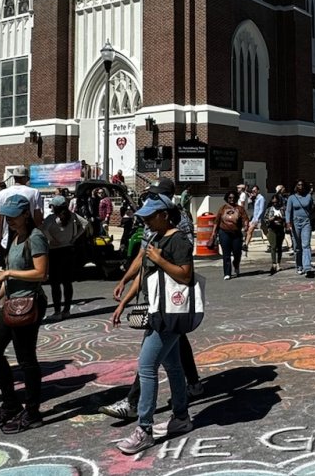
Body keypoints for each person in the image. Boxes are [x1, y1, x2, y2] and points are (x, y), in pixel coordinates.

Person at [111, 193, 195, 454]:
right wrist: (124, 301)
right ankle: (181, 418)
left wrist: (160, 260)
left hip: (170, 312)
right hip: (157, 309)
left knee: (146, 367)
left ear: (164, 215)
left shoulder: (178, 239)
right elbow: (146, 275)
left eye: (149, 216)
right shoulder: (155, 239)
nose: (145, 220)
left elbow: (185, 276)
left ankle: (144, 428)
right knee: (173, 366)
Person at [0, 194, 49, 434]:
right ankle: (10, 404)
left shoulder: (36, 237)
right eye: (6, 216)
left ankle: (32, 412)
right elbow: (6, 277)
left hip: (29, 303)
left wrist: (10, 274)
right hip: (10, 302)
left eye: (13, 216)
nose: (8, 220)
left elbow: (41, 273)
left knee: (26, 359)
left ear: (26, 214)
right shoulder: (15, 238)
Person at [42, 195, 87, 320]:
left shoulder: (51, 218)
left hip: (55, 251)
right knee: (67, 282)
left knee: (55, 283)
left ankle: (57, 311)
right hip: (68, 249)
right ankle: (66, 310)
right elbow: (85, 224)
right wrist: (75, 237)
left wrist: (51, 239)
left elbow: (43, 230)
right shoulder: (72, 216)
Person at [0, 167, 43, 269]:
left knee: (7, 269)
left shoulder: (1, 194)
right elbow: (38, 218)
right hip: (28, 237)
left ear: (14, 178)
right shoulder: (34, 192)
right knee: (27, 268)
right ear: (26, 178)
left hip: (7, 238)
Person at [213, 191, 247, 280]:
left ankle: (236, 265)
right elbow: (216, 221)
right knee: (226, 254)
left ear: (236, 198)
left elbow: (245, 219)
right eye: (229, 198)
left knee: (237, 253)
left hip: (236, 234)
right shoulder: (222, 209)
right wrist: (214, 233)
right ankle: (227, 273)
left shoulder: (240, 209)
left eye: (233, 198)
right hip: (224, 232)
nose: (231, 200)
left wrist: (245, 226)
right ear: (227, 199)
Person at [284, 180, 313, 275]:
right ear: (295, 186)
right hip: (295, 222)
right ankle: (299, 265)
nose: (300, 186)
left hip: (306, 222)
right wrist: (288, 223)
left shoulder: (308, 196)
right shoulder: (291, 198)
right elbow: (288, 211)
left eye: (302, 185)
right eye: (298, 185)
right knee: (297, 246)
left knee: (306, 245)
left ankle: (307, 267)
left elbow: (312, 210)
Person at [264, 194, 287, 274]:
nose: (275, 204)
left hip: (280, 229)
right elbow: (265, 219)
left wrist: (281, 219)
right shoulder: (269, 209)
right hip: (272, 229)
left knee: (279, 247)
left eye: (276, 202)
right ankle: (273, 263)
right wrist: (272, 219)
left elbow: (286, 218)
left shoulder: (282, 209)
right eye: (273, 202)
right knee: (273, 246)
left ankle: (278, 263)